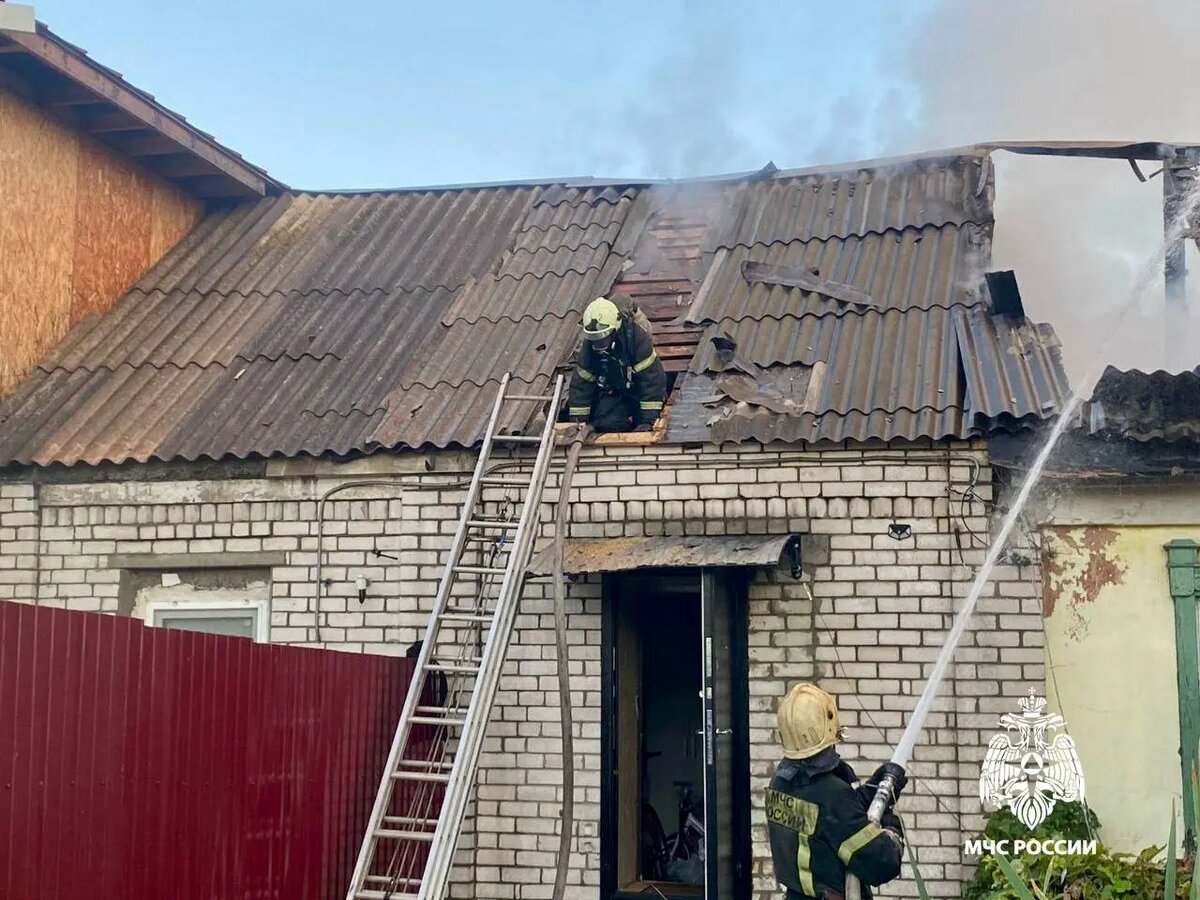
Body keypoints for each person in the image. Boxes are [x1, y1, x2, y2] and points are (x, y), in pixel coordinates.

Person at [767, 683, 907, 900]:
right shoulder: (831, 794)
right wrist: (889, 821)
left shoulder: (780, 782)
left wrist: (871, 790)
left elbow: (828, 824)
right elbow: (881, 864)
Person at [567, 293, 666, 433]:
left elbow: (652, 381)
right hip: (615, 392)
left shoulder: (637, 340)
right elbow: (581, 385)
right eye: (594, 338)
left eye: (603, 337)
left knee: (642, 421)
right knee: (606, 424)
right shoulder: (589, 347)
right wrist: (578, 422)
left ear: (616, 329)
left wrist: (648, 422)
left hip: (639, 392)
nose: (599, 343)